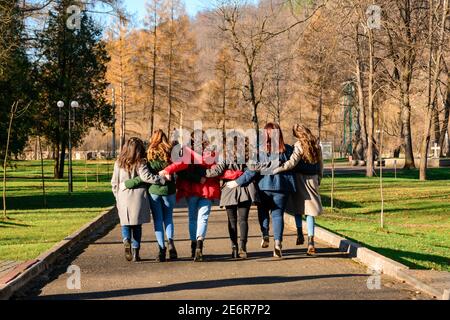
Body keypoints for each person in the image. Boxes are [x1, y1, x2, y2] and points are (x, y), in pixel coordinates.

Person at [160, 130, 241, 262]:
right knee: (203, 218)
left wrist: (197, 177)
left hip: (192, 190)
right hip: (208, 190)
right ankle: (199, 245)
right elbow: (218, 170)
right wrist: (235, 174)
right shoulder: (211, 153)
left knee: (192, 218)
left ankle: (193, 247)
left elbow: (182, 172)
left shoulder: (186, 153)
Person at [227, 123, 297, 258]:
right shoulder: (287, 150)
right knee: (277, 215)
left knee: (263, 212)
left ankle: (265, 234)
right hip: (281, 187)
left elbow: (252, 171)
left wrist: (237, 182)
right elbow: (294, 165)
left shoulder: (259, 151)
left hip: (263, 186)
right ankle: (277, 243)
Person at [122, 130, 178, 262]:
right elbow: (178, 168)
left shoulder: (148, 154)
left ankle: (161, 249)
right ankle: (170, 242)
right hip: (169, 190)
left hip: (154, 191)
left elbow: (144, 174)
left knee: (158, 220)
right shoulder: (171, 153)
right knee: (168, 218)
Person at [204, 134, 260, 259]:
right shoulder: (248, 157)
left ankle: (234, 247)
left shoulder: (226, 157)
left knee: (232, 221)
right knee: (243, 220)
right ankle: (243, 247)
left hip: (229, 190)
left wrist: (201, 173)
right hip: (245, 189)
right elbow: (253, 171)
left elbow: (216, 171)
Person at [111, 137, 166, 262]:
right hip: (138, 198)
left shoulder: (118, 163)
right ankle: (136, 253)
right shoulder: (140, 162)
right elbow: (146, 177)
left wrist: (117, 196)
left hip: (122, 196)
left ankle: (126, 240)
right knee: (137, 226)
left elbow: (114, 182)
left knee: (125, 223)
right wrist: (161, 179)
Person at [273, 124, 324, 255]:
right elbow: (321, 163)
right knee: (310, 211)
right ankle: (311, 242)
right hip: (312, 178)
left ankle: (300, 233)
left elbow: (292, 162)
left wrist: (277, 169)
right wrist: (319, 177)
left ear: (297, 134)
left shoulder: (298, 145)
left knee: (298, 207)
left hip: (299, 178)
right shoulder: (316, 144)